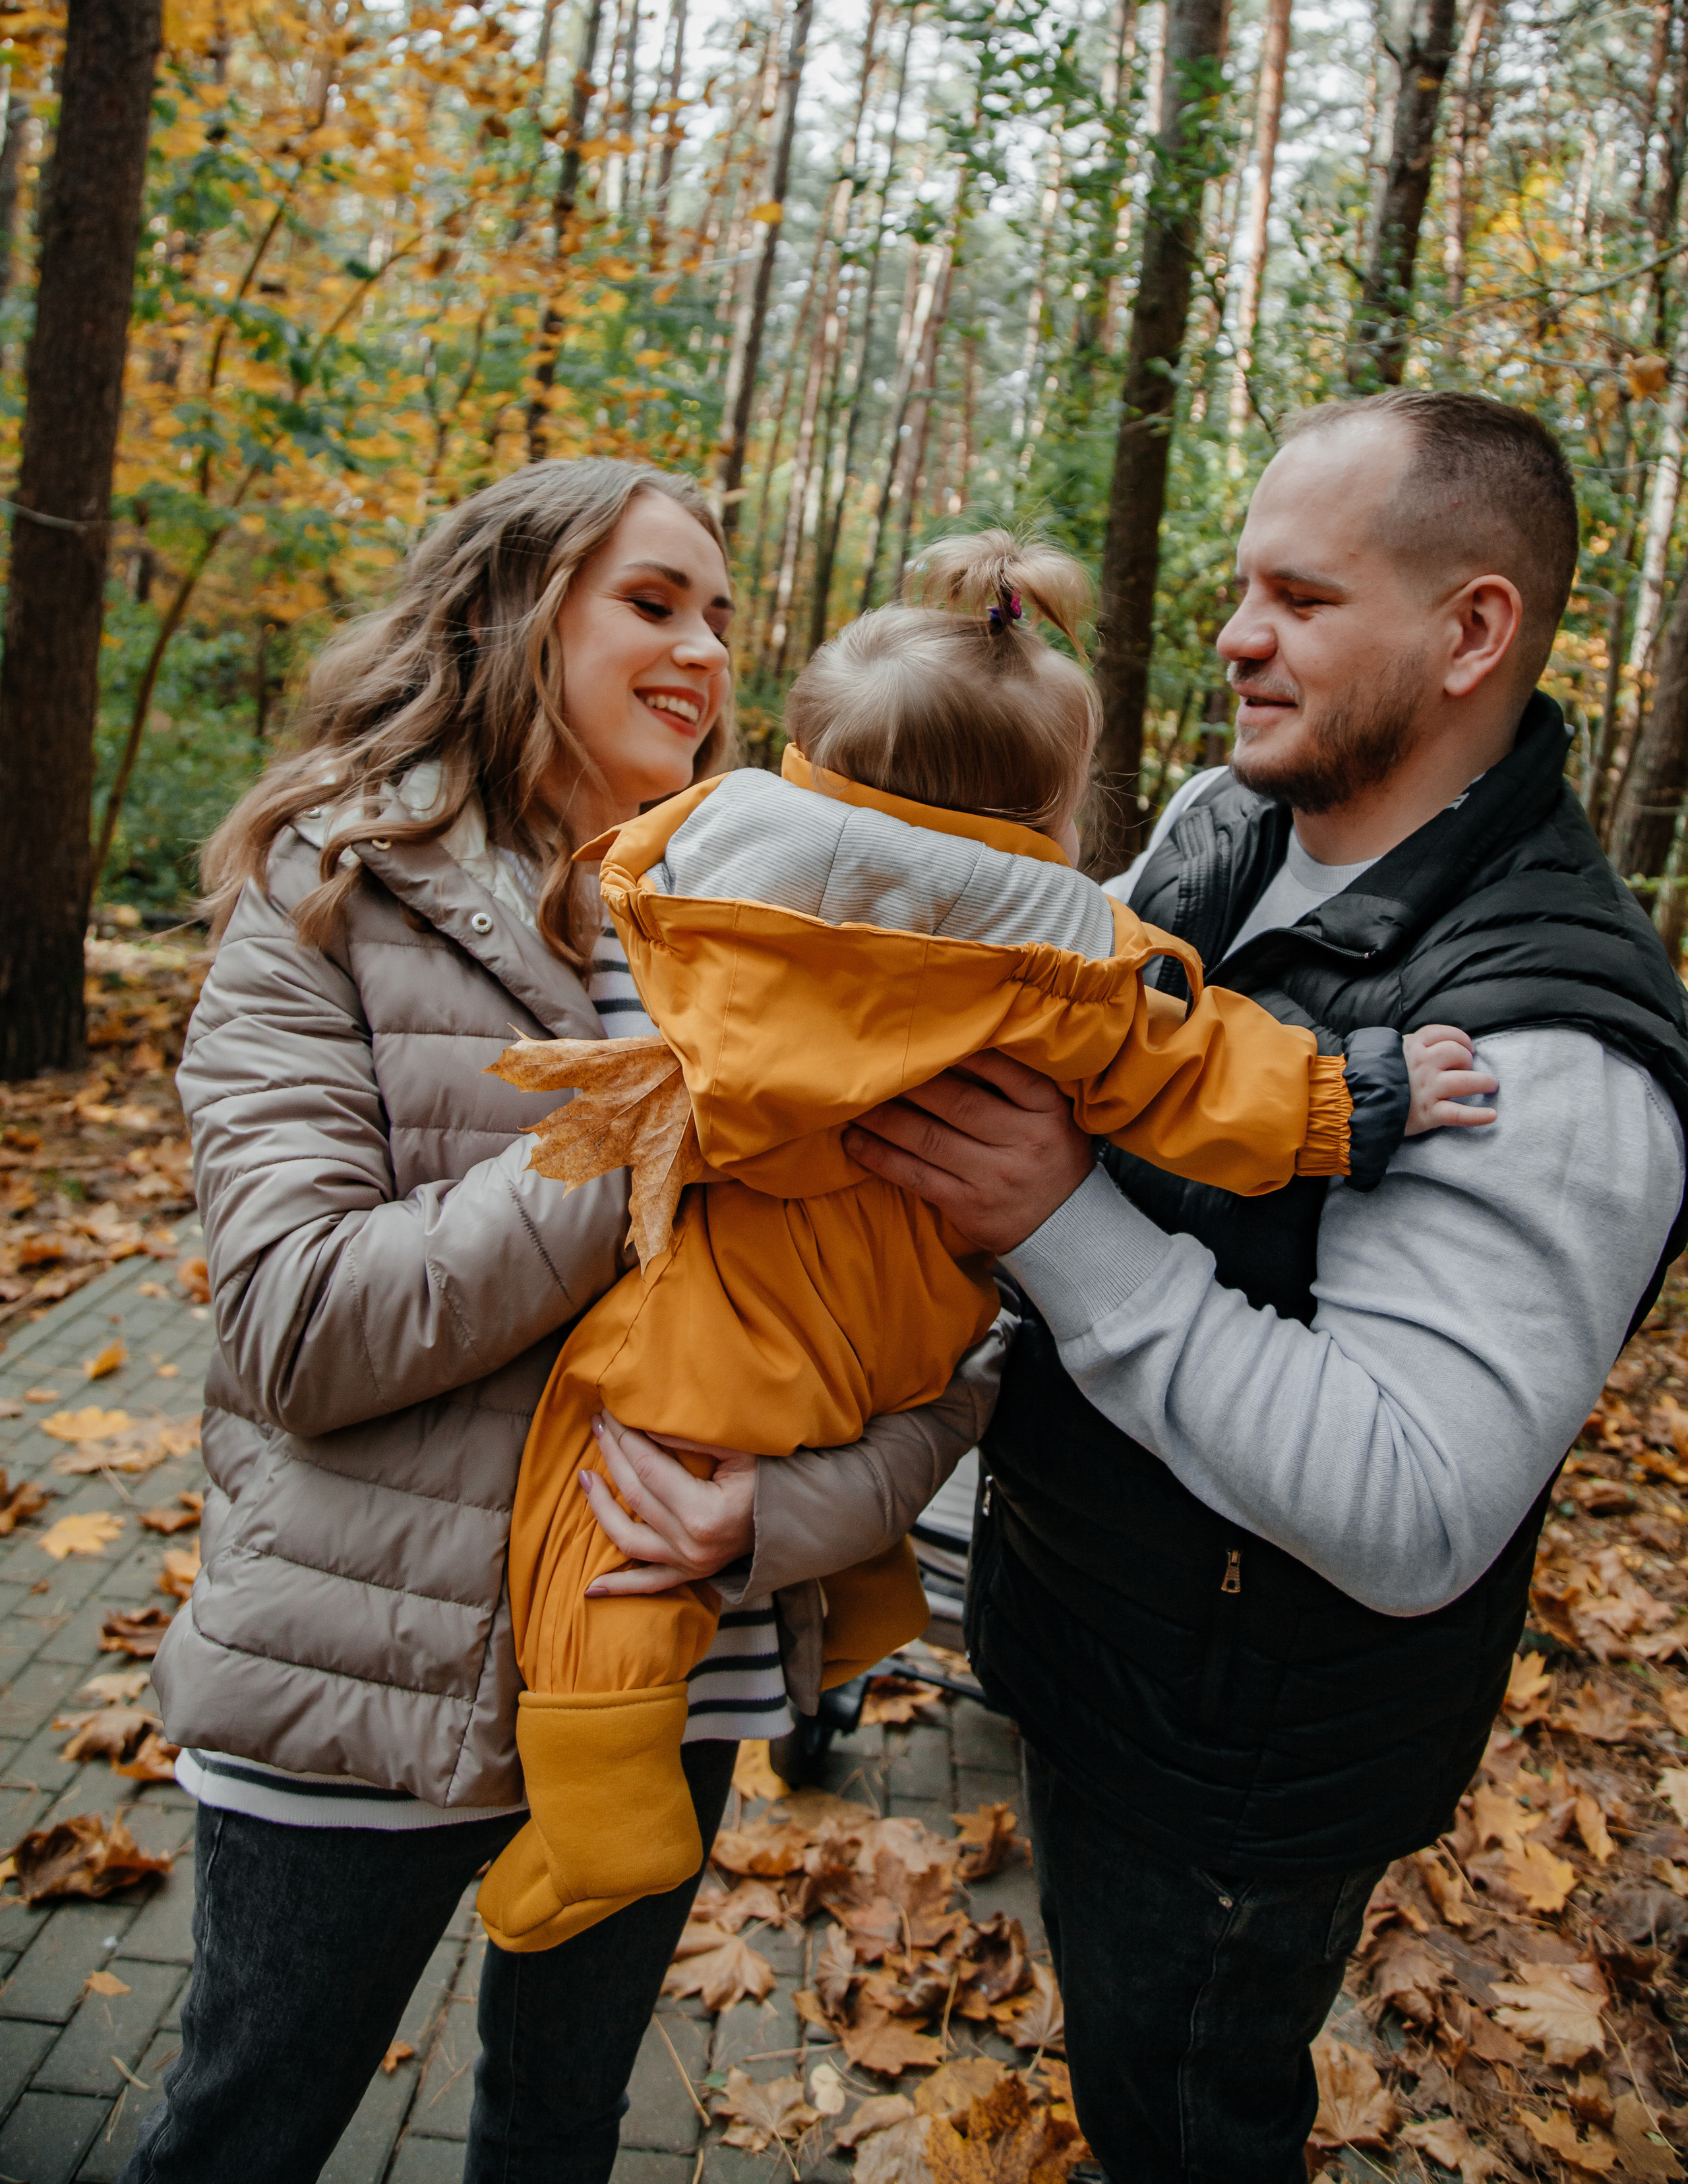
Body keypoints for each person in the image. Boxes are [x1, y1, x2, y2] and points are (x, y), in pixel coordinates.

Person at [837, 391, 1688, 2182]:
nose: (1237, 637)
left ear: (1473, 632)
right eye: (1244, 588)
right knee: (1114, 2059)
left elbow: (1410, 1512)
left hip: (1241, 1772)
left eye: (1299, 598)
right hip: (1085, 1651)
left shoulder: (1552, 1046)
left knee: (1185, 2116)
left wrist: (1058, 1221)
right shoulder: (1230, 822)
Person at [129, 459, 996, 2184]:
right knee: (245, 2131)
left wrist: (782, 1521)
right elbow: (297, 1330)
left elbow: (939, 1327)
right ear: (515, 611)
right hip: (365, 1683)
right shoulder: (336, 889)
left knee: (557, 2137)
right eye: (655, 601)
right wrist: (661, 1118)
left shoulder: (788, 914)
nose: (705, 653)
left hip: (677, 1676)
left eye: (723, 617)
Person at [479, 527, 1484, 1953]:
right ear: (1053, 807)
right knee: (746, 1448)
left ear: (808, 761)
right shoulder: (1056, 960)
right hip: (926, 1309)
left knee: (596, 1474)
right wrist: (1353, 1095)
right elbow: (1195, 1073)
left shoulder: (712, 888)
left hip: (738, 1299)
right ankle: (847, 1609)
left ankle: (600, 1788)